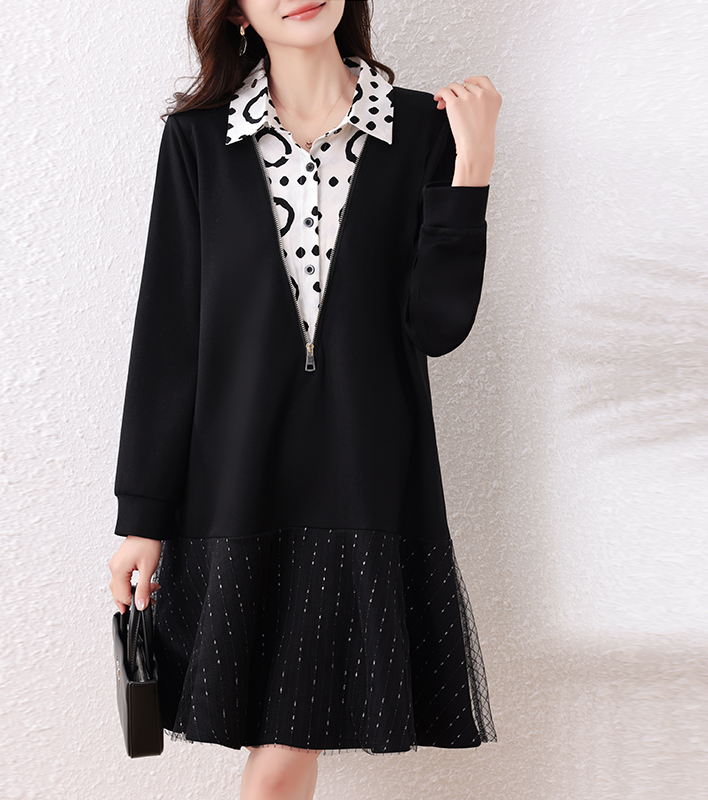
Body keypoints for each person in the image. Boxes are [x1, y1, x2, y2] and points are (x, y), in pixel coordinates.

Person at [108, 1, 502, 798]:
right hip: (236, 486)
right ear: (235, 12)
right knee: (283, 745)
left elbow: (437, 327)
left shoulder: (424, 129)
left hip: (365, 482)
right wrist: (141, 515)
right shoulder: (198, 141)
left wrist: (475, 164)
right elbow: (168, 335)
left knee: (284, 748)